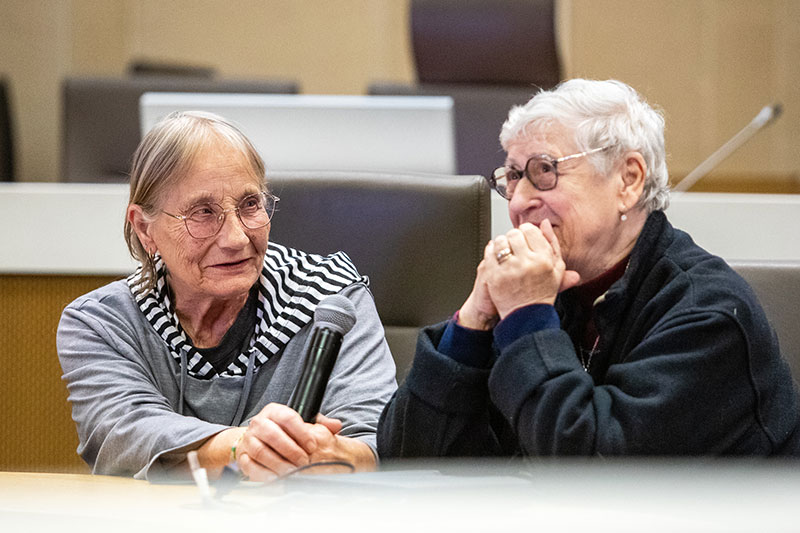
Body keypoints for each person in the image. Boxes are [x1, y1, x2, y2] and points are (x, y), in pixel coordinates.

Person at [377, 79, 800, 457]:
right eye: (513, 176)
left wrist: (527, 317)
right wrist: (474, 318)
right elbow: (407, 453)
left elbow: (592, 477)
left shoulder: (709, 315)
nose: (518, 202)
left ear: (628, 180)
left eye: (545, 171)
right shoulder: (539, 287)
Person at [57, 111, 397, 480]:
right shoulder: (102, 323)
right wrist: (248, 447)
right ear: (144, 228)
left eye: (250, 204)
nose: (236, 238)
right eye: (203, 212)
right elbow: (123, 437)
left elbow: (376, 443)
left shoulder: (331, 298)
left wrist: (329, 453)